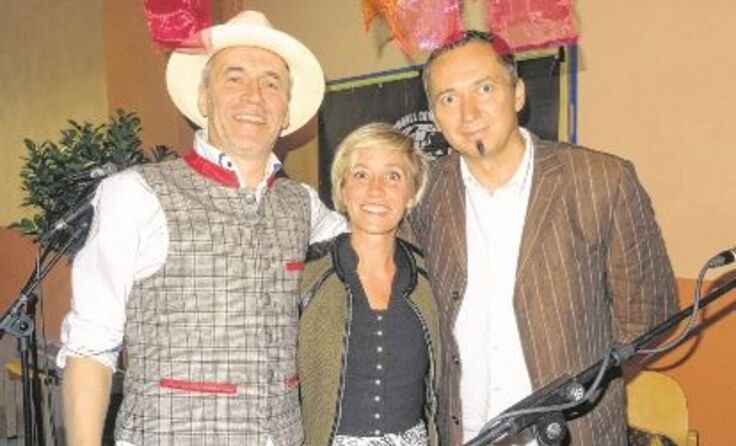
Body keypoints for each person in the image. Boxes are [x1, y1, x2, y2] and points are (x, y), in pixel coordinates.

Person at [57, 10, 344, 446]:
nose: (254, 96)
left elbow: (368, 239)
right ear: (204, 98)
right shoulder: (135, 194)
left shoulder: (303, 204)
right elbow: (90, 346)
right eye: (234, 77)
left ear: (286, 111)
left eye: (271, 83)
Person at [405, 30, 678, 445]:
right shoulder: (422, 196)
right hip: (464, 434)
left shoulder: (602, 181)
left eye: (484, 88)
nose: (468, 112)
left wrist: (587, 383)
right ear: (435, 116)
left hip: (573, 434)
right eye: (448, 98)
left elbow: (647, 318)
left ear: (517, 93)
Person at [297, 123, 440, 446]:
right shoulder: (306, 276)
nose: (376, 190)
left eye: (393, 176)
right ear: (343, 190)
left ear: (412, 194)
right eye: (361, 174)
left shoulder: (431, 279)